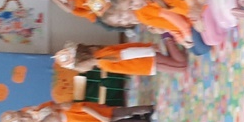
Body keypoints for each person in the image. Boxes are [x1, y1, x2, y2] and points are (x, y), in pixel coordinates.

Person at [54, 39, 188, 76]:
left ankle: (168, 39)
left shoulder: (103, 59)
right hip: (146, 64)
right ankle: (170, 44)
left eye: (79, 68)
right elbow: (126, 47)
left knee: (181, 67)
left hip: (148, 59)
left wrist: (148, 50)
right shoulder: (101, 60)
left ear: (82, 61)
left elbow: (128, 52)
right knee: (180, 67)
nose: (81, 71)